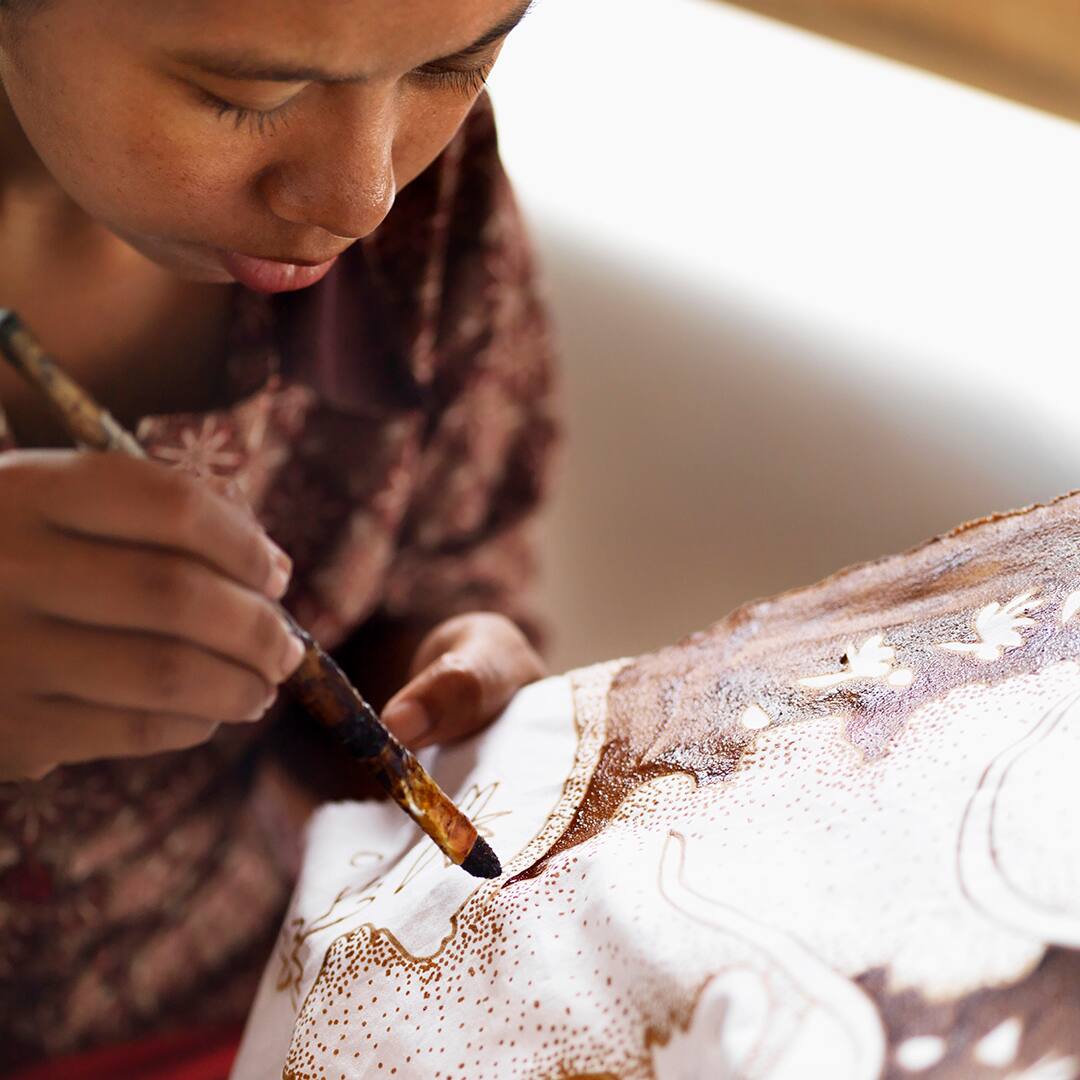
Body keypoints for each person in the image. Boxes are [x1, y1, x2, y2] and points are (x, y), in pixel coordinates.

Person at [0, 0, 558, 1073]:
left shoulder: (431, 215)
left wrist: (443, 674)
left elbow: (449, 564)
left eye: (454, 66)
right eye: (248, 91)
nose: (362, 195)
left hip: (255, 999)